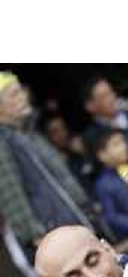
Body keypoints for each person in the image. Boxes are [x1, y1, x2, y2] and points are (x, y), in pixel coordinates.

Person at [0, 71, 101, 260]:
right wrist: (35, 236)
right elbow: (10, 195)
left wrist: (86, 206)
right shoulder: (3, 142)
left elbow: (62, 177)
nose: (23, 96)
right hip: (53, 237)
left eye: (20, 90)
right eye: (13, 94)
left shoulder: (28, 132)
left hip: (74, 220)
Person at [82, 76, 128, 162]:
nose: (111, 98)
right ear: (90, 106)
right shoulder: (93, 136)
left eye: (111, 92)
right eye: (104, 96)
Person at [90, 129, 128, 241]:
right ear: (102, 155)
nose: (123, 147)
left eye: (123, 142)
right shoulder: (104, 184)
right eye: (116, 144)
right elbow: (112, 217)